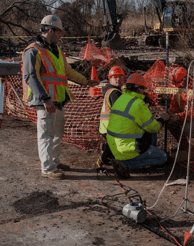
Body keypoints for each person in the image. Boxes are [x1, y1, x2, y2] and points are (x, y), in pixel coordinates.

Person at [22, 15, 99, 180]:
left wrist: (85, 81)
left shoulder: (55, 50)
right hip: (46, 101)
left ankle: (54, 162)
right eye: (59, 32)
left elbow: (67, 72)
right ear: (50, 31)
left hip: (58, 100)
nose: (60, 36)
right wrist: (45, 98)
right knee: (46, 135)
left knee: (57, 134)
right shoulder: (33, 51)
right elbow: (31, 77)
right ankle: (48, 168)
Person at [106, 73, 170, 179]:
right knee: (163, 158)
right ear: (139, 89)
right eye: (143, 88)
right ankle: (125, 165)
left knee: (148, 137)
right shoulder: (138, 103)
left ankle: (124, 161)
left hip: (114, 145)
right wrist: (163, 120)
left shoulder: (121, 98)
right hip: (127, 147)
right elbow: (153, 127)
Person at [97, 66, 126, 167]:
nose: (118, 79)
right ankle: (105, 159)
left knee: (111, 146)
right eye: (115, 77)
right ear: (110, 79)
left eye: (120, 77)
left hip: (106, 127)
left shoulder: (110, 91)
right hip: (111, 127)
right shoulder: (114, 93)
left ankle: (105, 155)